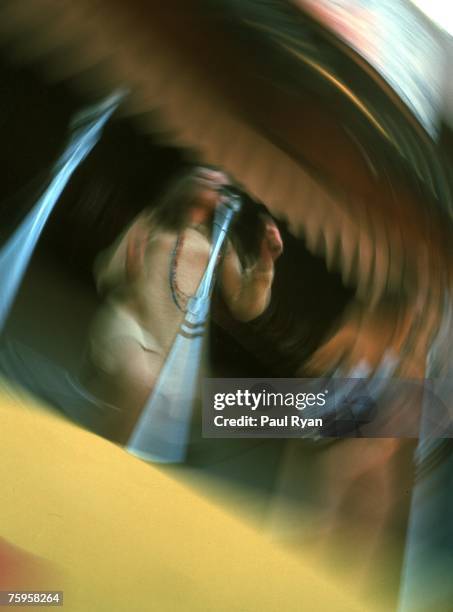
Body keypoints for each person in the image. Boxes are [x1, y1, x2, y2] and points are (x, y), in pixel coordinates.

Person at [82, 166, 283, 442]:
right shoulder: (153, 221)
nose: (215, 183)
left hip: (171, 347)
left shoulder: (221, 246)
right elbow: (106, 273)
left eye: (222, 185)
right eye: (207, 177)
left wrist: (265, 262)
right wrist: (129, 268)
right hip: (130, 324)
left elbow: (245, 306)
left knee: (142, 414)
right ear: (187, 184)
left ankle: (102, 451)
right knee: (142, 381)